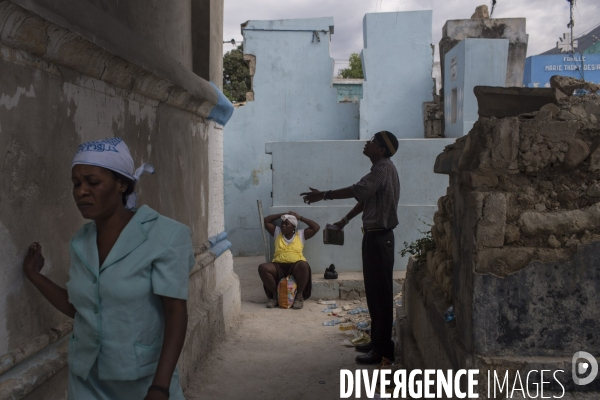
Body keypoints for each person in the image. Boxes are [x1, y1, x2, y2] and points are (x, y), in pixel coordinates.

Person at [22, 138, 195, 400]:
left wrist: (160, 388)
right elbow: (84, 308)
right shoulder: (81, 242)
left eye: (92, 182)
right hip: (86, 381)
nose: (81, 191)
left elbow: (175, 312)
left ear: (121, 184)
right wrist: (35, 276)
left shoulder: (166, 235)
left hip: (144, 382)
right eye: (76, 183)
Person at [300, 130, 400, 366]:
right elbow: (365, 200)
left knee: (381, 296)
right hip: (375, 238)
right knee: (374, 294)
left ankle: (383, 350)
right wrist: (344, 221)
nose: (368, 143)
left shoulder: (382, 168)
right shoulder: (380, 170)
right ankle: (377, 343)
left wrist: (324, 195)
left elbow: (359, 191)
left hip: (380, 239)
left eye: (373, 142)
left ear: (382, 150)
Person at [258, 211, 320, 309]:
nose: (283, 226)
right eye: (282, 223)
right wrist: (282, 214)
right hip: (278, 266)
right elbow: (266, 221)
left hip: (295, 266)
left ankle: (299, 297)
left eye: (287, 224)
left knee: (304, 265)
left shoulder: (300, 234)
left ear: (293, 227)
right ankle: (275, 296)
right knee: (263, 268)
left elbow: (316, 227)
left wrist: (300, 217)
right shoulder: (277, 232)